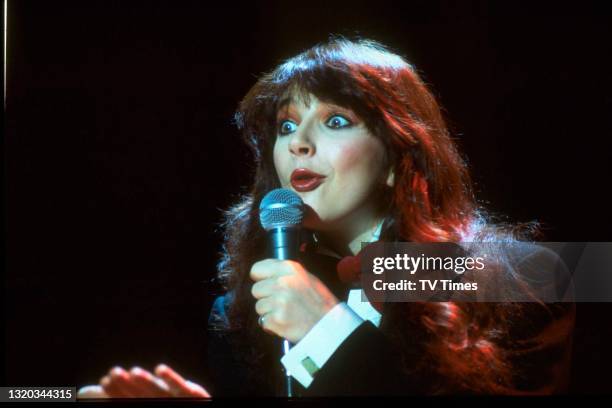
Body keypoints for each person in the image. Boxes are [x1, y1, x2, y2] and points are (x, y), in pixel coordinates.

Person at [77, 37, 575, 398]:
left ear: (399, 157)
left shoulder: (528, 275)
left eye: (336, 121)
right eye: (286, 125)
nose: (297, 143)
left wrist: (330, 332)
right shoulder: (239, 312)